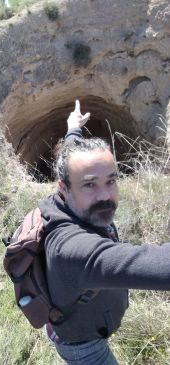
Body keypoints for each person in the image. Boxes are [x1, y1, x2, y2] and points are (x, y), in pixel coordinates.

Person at [39, 100, 170, 365]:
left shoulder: (68, 199)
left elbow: (73, 157)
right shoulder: (71, 249)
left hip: (86, 317)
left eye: (111, 180)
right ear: (63, 188)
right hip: (84, 345)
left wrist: (73, 128)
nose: (105, 196)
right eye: (90, 185)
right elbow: (151, 265)